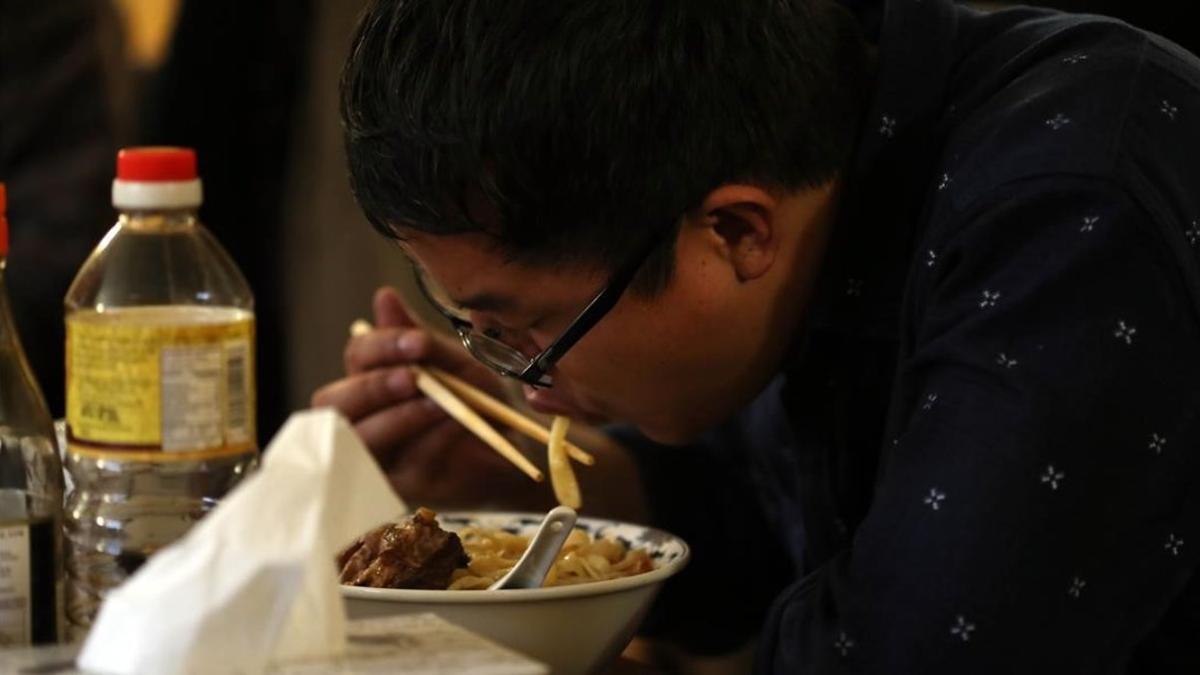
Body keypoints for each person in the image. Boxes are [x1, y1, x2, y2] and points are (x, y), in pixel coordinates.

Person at [313, 0, 1200, 670]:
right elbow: (773, 525)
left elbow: (904, 648)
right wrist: (554, 482)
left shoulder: (1069, 222)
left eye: (522, 332)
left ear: (735, 233)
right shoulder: (822, 139)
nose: (529, 389)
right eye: (466, 323)